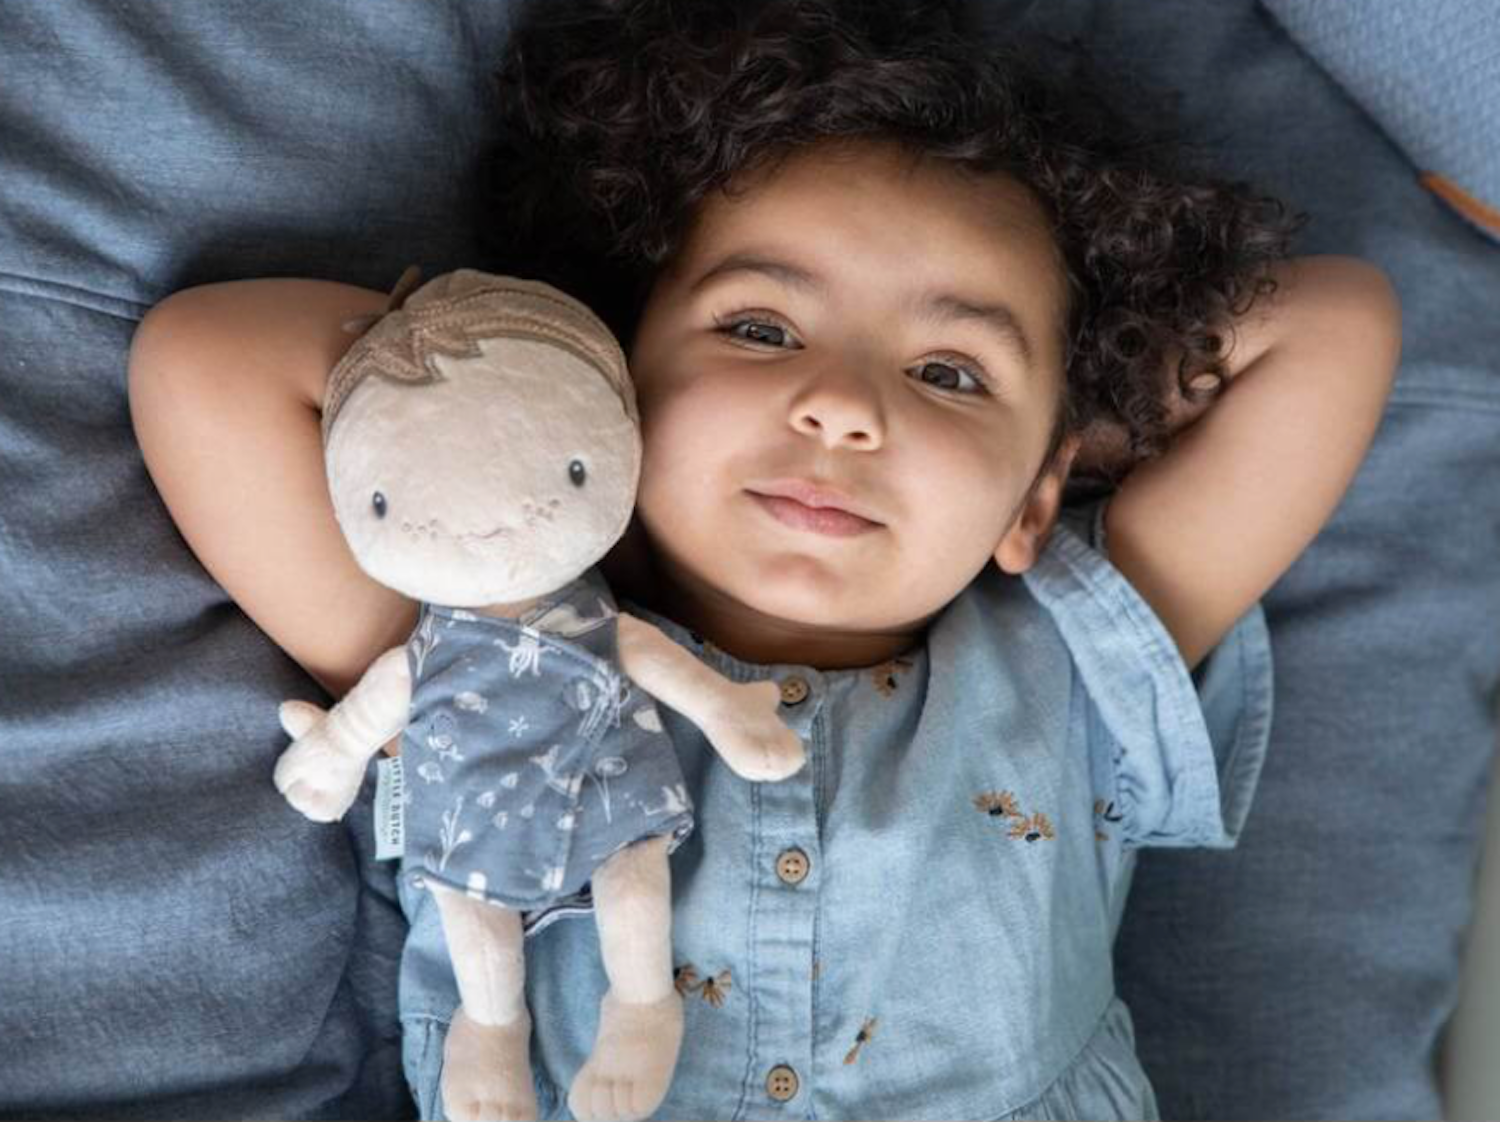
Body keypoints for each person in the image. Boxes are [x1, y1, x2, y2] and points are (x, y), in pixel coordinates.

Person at [126, 0, 1401, 1117]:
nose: (843, 408)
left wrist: (1043, 445)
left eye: (948, 372)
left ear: (1037, 496)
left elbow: (1330, 328)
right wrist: (543, 389)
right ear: (624, 388)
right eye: (760, 328)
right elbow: (209, 366)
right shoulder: (494, 661)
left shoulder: (1074, 671)